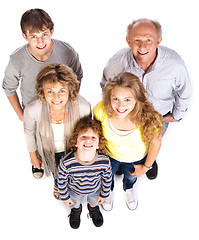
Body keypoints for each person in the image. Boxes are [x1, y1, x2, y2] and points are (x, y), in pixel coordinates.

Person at [100, 18, 191, 179]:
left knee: (152, 142)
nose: (142, 46)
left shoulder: (174, 64)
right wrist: (115, 111)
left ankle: (148, 160)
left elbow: (184, 92)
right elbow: (105, 87)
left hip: (158, 117)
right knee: (123, 142)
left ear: (158, 41)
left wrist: (176, 116)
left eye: (149, 40)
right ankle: (121, 161)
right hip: (125, 116)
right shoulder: (117, 63)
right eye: (137, 40)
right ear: (128, 41)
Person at [93, 72, 164, 211]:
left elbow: (156, 143)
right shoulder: (101, 110)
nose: (120, 105)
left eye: (127, 100)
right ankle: (108, 191)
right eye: (116, 99)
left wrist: (146, 167)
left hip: (135, 158)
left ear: (137, 99)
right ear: (109, 97)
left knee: (131, 177)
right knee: (108, 176)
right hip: (110, 155)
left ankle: (129, 188)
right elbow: (96, 130)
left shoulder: (148, 117)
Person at [2, 8, 83, 122]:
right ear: (25, 36)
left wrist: (72, 102)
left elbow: (77, 76)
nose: (40, 42)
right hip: (35, 115)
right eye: (34, 36)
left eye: (44, 34)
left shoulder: (67, 51)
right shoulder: (17, 59)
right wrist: (21, 116)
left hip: (63, 112)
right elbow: (9, 88)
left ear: (52, 31)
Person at [23, 64, 91, 199]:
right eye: (50, 91)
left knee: (74, 171)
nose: (56, 97)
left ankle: (73, 185)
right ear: (42, 91)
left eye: (61, 91)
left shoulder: (83, 107)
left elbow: (88, 133)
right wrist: (33, 157)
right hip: (49, 149)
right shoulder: (32, 109)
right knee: (57, 172)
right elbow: (29, 133)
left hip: (73, 148)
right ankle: (58, 184)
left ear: (70, 90)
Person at [58, 116, 112, 229]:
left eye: (93, 137)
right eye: (83, 136)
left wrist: (105, 193)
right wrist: (65, 197)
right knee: (75, 202)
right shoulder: (67, 162)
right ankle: (76, 210)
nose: (88, 140)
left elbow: (108, 178)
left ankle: (93, 208)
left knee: (94, 200)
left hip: (95, 189)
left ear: (98, 144)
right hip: (74, 190)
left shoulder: (104, 161)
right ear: (76, 142)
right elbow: (61, 180)